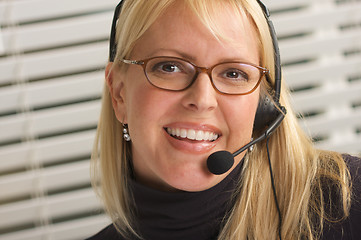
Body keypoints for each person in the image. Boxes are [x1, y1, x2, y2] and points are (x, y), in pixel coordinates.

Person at [87, 0, 361, 239]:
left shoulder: (350, 200)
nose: (202, 99)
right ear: (119, 93)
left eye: (233, 74)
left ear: (263, 107)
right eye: (169, 67)